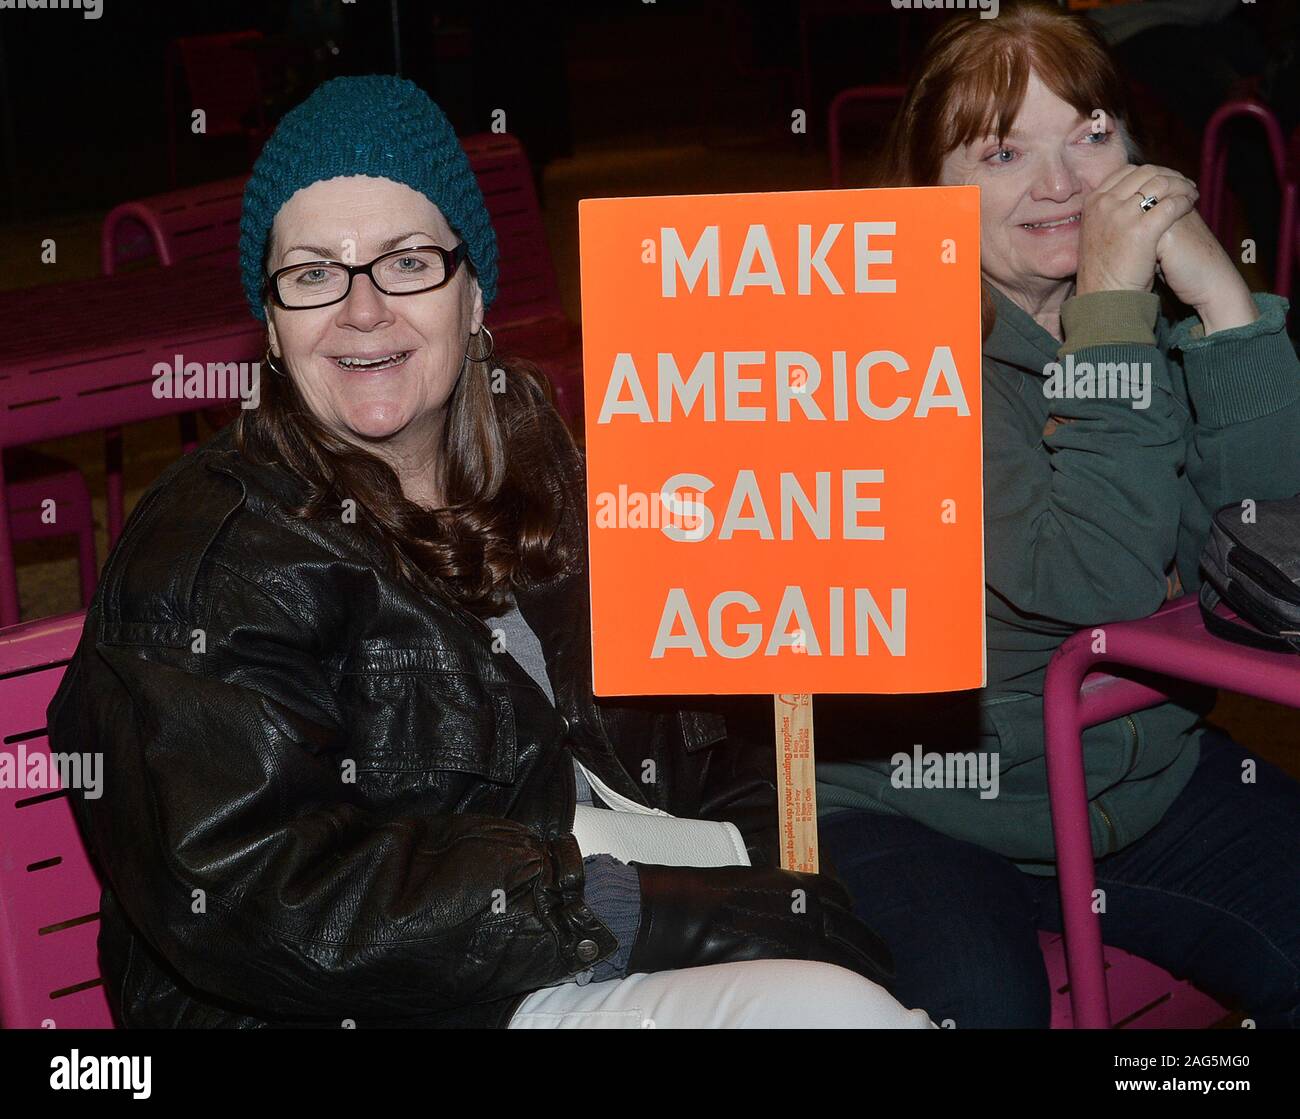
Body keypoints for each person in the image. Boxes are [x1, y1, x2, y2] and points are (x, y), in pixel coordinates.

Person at [46, 74, 933, 1030]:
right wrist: (631, 909)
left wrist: (775, 884)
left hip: (571, 943)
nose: (361, 309)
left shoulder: (565, 480)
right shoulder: (208, 555)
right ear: (268, 322)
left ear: (475, 296)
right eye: (312, 274)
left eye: (408, 261)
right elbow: (258, 893)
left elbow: (717, 739)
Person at [804, 0, 1300, 1027]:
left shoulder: (1140, 313)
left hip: (1142, 779)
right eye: (1000, 151)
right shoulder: (886, 358)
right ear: (924, 192)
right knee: (978, 1005)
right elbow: (1092, 582)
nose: (1063, 183)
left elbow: (1260, 545)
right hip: (918, 803)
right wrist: (1110, 315)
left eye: (1088, 134)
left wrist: (1227, 314)